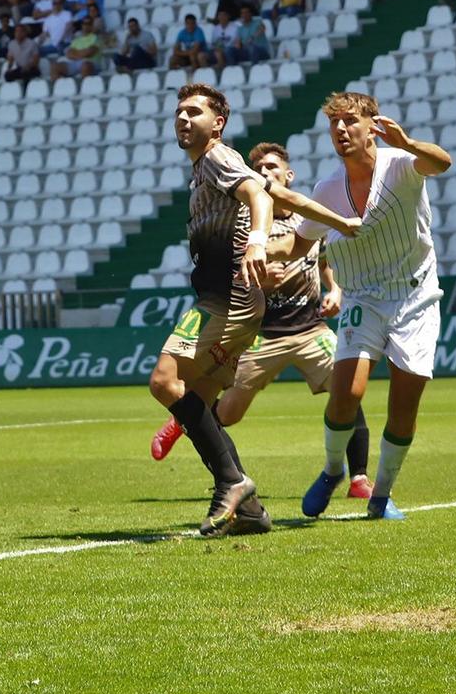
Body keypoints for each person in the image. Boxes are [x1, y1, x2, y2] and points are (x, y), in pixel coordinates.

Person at [147, 85, 357, 538]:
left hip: (225, 299)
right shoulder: (209, 167)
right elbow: (286, 199)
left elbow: (261, 199)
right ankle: (251, 510)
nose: (183, 119)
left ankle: (232, 481)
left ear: (217, 123)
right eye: (179, 112)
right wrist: (342, 223)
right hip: (239, 302)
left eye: (194, 112)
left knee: (165, 381)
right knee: (198, 403)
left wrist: (258, 241)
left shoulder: (218, 158)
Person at [277, 93, 452, 521]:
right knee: (346, 394)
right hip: (362, 297)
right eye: (334, 124)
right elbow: (301, 242)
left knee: (403, 405)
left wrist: (408, 142)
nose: (340, 130)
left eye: (349, 121)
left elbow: (442, 162)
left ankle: (382, 494)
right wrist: (268, 258)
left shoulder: (401, 164)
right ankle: (333, 470)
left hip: (415, 297)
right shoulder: (327, 189)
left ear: (373, 124)